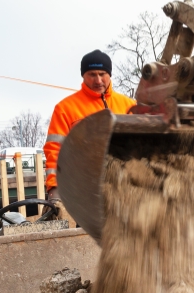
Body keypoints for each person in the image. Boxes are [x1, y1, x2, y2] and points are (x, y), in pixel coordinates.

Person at [43, 49, 136, 201]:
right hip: (83, 191)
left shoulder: (129, 105)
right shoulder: (65, 109)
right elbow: (55, 151)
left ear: (109, 74)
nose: (98, 80)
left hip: (124, 189)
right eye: (92, 75)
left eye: (102, 74)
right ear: (83, 75)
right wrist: (54, 188)